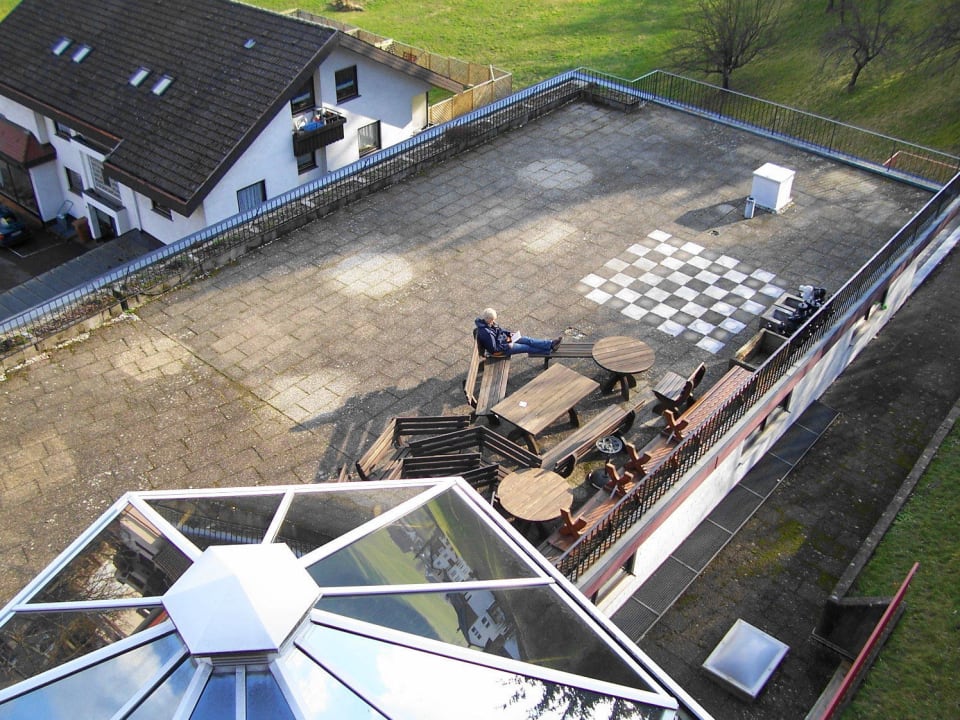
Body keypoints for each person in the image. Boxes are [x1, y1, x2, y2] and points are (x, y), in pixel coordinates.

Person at [474, 308, 562, 356]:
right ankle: (547, 351)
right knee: (525, 347)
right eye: (492, 320)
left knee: (527, 340)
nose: (494, 322)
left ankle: (551, 344)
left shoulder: (489, 323)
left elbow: (500, 330)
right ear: (488, 319)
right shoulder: (486, 333)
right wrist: (508, 345)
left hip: (504, 340)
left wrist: (509, 333)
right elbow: (494, 349)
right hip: (501, 350)